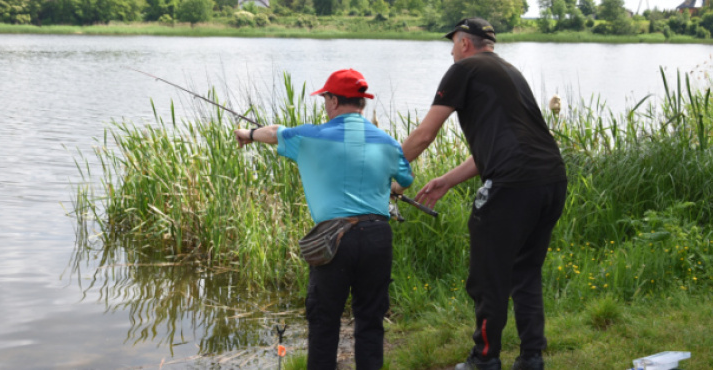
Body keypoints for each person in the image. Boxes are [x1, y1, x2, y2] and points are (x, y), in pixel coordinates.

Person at [394, 18, 567, 370]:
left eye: (453, 43)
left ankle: (484, 359)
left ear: (463, 43)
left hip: (513, 185)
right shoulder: (509, 71)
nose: (451, 51)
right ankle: (532, 357)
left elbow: (425, 134)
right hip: (551, 179)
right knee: (526, 270)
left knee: (489, 276)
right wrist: (447, 180)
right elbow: (503, 144)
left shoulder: (463, 69)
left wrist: (385, 173)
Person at [234, 69, 414, 370]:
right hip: (377, 236)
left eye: (324, 98)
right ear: (361, 103)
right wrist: (389, 191)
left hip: (334, 239)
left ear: (332, 100)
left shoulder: (309, 137)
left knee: (323, 320)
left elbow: (275, 131)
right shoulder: (388, 142)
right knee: (370, 319)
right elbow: (404, 180)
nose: (324, 105)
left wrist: (248, 134)